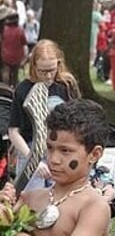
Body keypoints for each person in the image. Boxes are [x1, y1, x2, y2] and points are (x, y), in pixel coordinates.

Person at [0, 99, 112, 236]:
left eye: (65, 151)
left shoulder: (94, 206)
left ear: (94, 154)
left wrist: (14, 231)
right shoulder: (31, 198)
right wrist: (5, 217)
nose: (54, 159)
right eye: (50, 148)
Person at [8, 39, 80, 191]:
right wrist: (32, 160)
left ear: (58, 65)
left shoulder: (66, 85)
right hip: (30, 148)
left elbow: (77, 120)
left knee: (59, 200)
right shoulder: (23, 89)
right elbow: (13, 132)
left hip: (61, 147)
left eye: (52, 70)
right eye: (43, 71)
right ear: (34, 66)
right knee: (32, 203)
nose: (48, 76)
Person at [1, 9, 25, 87]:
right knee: (15, 72)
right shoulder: (20, 30)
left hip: (5, 54)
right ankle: (13, 87)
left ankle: (5, 86)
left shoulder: (4, 29)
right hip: (17, 55)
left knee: (6, 71)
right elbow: (24, 42)